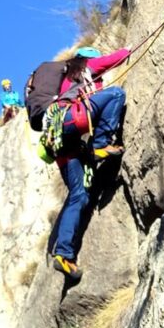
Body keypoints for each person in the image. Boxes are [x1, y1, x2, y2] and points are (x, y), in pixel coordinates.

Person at [51, 45, 130, 282]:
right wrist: (128, 49)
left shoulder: (65, 79)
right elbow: (115, 59)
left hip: (61, 140)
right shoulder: (85, 66)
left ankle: (64, 255)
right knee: (116, 94)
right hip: (72, 118)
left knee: (79, 195)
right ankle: (102, 144)